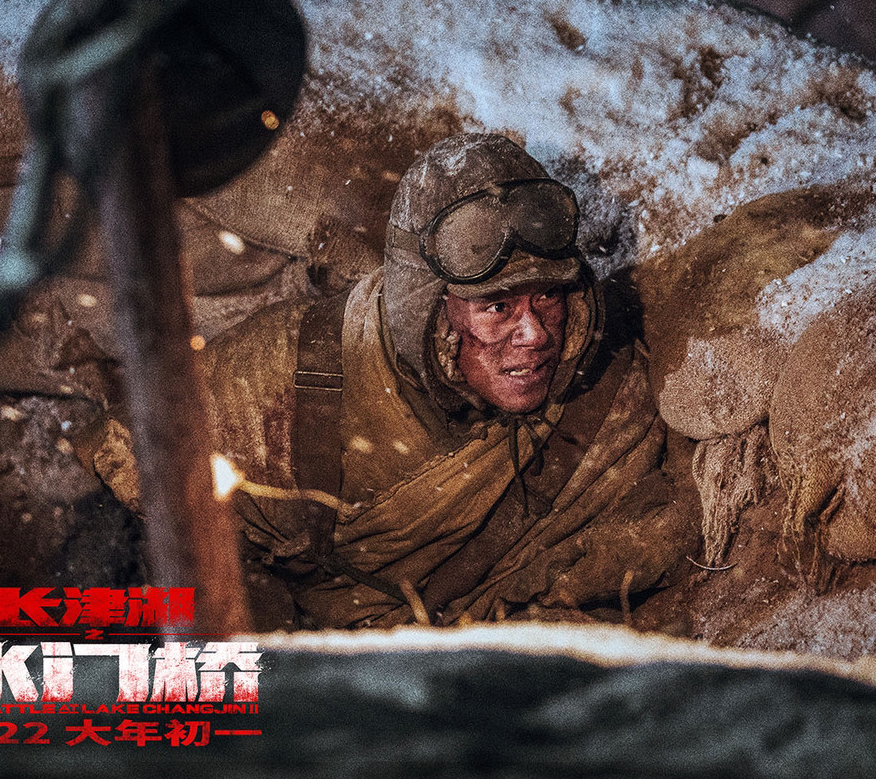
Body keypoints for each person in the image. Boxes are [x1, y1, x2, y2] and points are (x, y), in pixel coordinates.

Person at [94, 133, 699, 629]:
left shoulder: (609, 395)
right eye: (497, 307)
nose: (536, 334)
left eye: (547, 296)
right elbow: (139, 486)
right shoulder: (287, 373)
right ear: (431, 310)